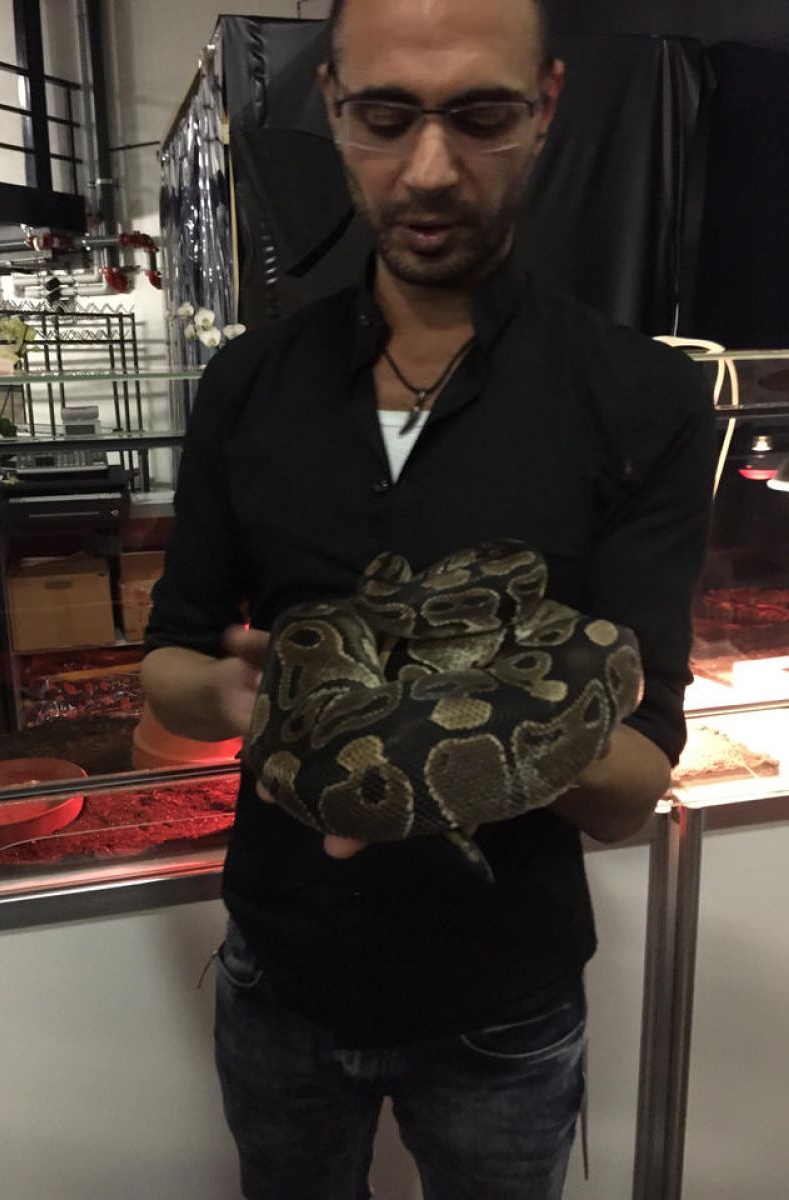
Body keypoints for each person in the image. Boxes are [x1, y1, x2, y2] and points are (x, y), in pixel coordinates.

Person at [142, 0, 716, 1195]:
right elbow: (170, 663)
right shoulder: (248, 383)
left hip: (503, 1005)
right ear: (332, 107)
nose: (431, 170)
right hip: (278, 973)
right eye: (387, 117)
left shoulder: (642, 401)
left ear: (546, 109)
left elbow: (631, 786)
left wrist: (411, 739)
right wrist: (254, 704)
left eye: (482, 117)